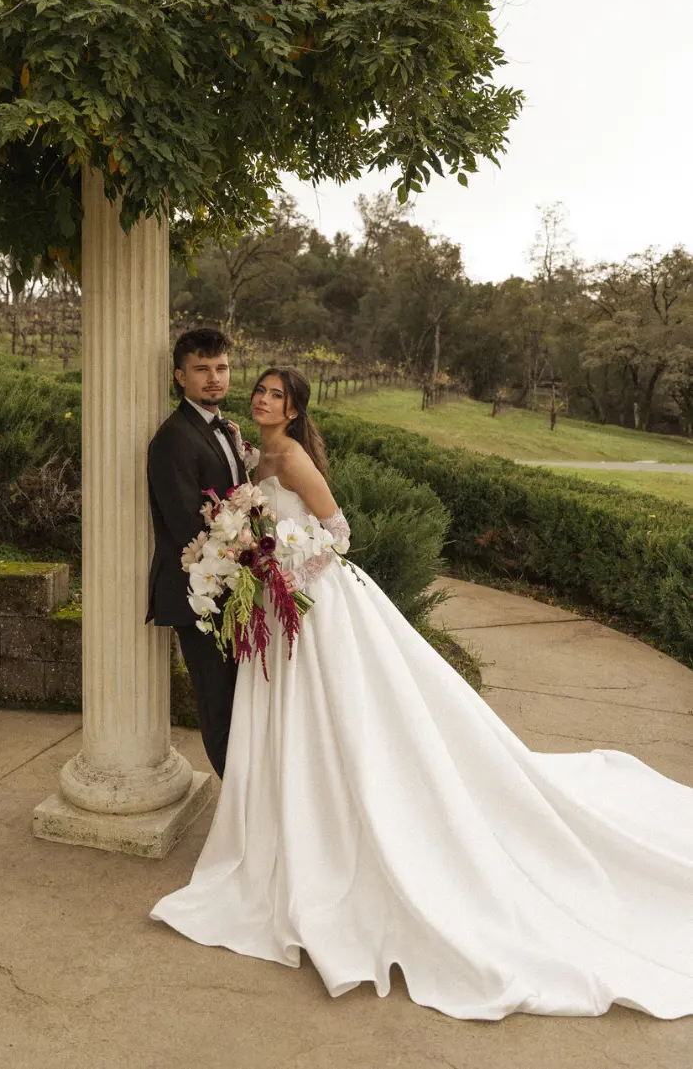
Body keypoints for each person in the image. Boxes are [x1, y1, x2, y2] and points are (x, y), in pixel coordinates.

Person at [151, 367, 693, 1021]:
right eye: (260, 391)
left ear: (293, 409)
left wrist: (286, 569)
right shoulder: (252, 451)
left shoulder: (290, 456)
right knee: (293, 722)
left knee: (348, 717)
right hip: (275, 603)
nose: (262, 399)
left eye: (276, 395)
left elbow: (337, 531)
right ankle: (296, 821)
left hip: (315, 602)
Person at [146, 327, 250, 779]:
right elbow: (186, 524)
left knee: (242, 701)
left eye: (221, 368)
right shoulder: (173, 438)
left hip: (235, 585)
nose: (214, 378)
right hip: (199, 592)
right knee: (218, 703)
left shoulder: (223, 427)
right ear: (179, 376)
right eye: (201, 369)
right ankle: (239, 805)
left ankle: (249, 798)